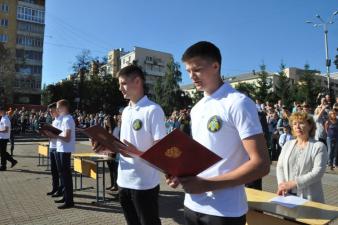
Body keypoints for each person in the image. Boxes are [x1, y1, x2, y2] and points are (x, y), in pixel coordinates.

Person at [166, 41, 270, 225]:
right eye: (188, 71)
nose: (192, 77)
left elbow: (261, 164)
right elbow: (200, 155)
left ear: (215, 66)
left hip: (225, 211)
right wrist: (180, 174)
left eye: (197, 69)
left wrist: (207, 184)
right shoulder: (196, 109)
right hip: (192, 205)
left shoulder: (238, 103)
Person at [101, 65, 166, 225]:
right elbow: (124, 145)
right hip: (124, 181)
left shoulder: (153, 110)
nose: (119, 88)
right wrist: (108, 147)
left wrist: (136, 152)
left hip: (144, 184)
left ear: (137, 81)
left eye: (123, 83)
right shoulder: (126, 111)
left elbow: (161, 150)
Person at [276, 112, 328, 203]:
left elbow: (318, 172)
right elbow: (280, 166)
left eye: (301, 123)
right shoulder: (287, 144)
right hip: (287, 195)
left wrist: (294, 183)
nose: (297, 126)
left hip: (309, 196)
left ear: (310, 126)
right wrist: (282, 184)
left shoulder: (319, 146)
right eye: (295, 124)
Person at [45, 99, 75, 209]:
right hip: (60, 148)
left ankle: (69, 201)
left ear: (64, 107)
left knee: (66, 176)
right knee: (62, 174)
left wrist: (54, 136)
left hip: (65, 149)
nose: (57, 109)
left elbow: (67, 138)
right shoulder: (64, 119)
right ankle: (65, 197)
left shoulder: (68, 119)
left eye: (58, 107)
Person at [46, 103, 63, 196]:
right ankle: (54, 188)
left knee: (59, 170)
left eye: (51, 111)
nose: (50, 113)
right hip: (52, 146)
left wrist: (52, 135)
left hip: (58, 147)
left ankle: (60, 189)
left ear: (57, 110)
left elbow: (61, 135)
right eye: (49, 111)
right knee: (53, 170)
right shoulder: (54, 121)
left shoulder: (61, 120)